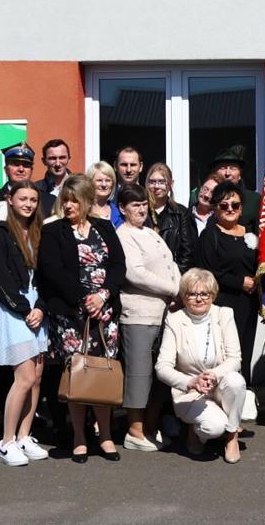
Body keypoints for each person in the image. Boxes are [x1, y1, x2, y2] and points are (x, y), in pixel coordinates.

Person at [37, 175, 129, 463]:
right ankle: (78, 436)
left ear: (87, 201)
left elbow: (118, 265)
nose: (67, 205)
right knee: (78, 376)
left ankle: (105, 435)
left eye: (74, 200)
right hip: (73, 315)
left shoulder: (103, 227)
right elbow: (51, 270)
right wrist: (83, 298)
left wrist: (102, 296)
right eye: (65, 199)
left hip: (104, 312)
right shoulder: (54, 231)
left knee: (102, 373)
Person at [0, 181, 51, 466]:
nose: (28, 204)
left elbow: (48, 274)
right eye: (23, 198)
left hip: (38, 308)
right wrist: (25, 309)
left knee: (36, 376)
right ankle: (7, 441)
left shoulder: (40, 231)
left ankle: (25, 435)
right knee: (23, 377)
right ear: (10, 200)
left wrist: (41, 308)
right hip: (16, 310)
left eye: (33, 199)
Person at [156, 268, 248, 463]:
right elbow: (162, 367)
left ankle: (232, 436)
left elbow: (235, 358)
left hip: (220, 385)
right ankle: (198, 431)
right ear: (183, 296)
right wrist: (191, 382)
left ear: (212, 295)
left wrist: (213, 375)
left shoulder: (224, 315)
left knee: (236, 381)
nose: (198, 299)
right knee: (213, 428)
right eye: (192, 294)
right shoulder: (175, 320)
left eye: (204, 293)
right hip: (190, 393)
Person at [116, 186, 182, 452]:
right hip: (139, 314)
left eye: (144, 204)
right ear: (122, 209)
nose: (141, 209)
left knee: (159, 373)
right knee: (139, 373)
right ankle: (134, 430)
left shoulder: (150, 233)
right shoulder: (124, 235)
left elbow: (172, 265)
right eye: (135, 206)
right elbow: (136, 274)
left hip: (164, 313)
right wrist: (174, 289)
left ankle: (150, 428)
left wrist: (181, 290)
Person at [192, 181, 260, 380]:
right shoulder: (209, 235)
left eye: (235, 205)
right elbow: (208, 272)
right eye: (224, 205)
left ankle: (243, 399)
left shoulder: (250, 233)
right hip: (223, 304)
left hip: (248, 303)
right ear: (215, 208)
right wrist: (240, 282)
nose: (230, 209)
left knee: (244, 354)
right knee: (225, 355)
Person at [145, 163, 198, 271]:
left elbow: (187, 251)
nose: (156, 186)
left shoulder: (180, 213)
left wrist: (176, 276)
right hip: (146, 275)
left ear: (170, 183)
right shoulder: (141, 211)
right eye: (152, 182)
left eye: (162, 182)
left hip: (173, 276)